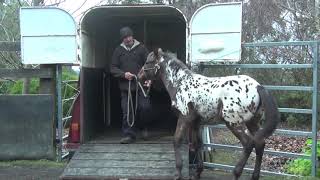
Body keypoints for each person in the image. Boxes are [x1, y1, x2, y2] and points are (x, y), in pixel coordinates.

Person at [110, 26, 152, 144]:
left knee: (144, 107)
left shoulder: (142, 48)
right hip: (126, 86)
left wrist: (148, 78)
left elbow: (149, 65)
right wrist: (123, 74)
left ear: (132, 36)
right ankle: (129, 135)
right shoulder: (118, 50)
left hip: (141, 84)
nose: (127, 39)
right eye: (124, 38)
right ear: (122, 39)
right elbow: (112, 68)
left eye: (128, 37)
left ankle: (144, 128)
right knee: (127, 110)